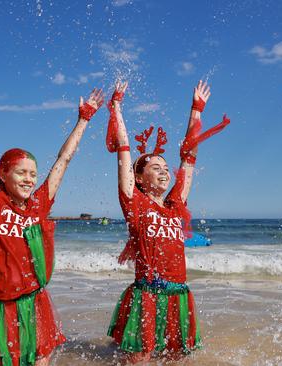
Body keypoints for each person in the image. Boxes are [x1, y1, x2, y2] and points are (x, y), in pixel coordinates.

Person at [0, 59, 104, 366]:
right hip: (1, 305)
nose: (30, 178)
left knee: (41, 361)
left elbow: (63, 161)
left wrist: (84, 120)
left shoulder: (39, 204)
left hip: (34, 302)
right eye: (21, 172)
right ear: (3, 174)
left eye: (33, 173)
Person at [105, 80, 229, 362]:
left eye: (165, 167)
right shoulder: (134, 202)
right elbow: (124, 150)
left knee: (176, 359)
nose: (164, 172)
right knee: (139, 359)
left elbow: (189, 155)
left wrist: (196, 109)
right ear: (139, 178)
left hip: (179, 296)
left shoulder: (176, 205)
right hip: (146, 295)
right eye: (155, 167)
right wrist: (116, 107)